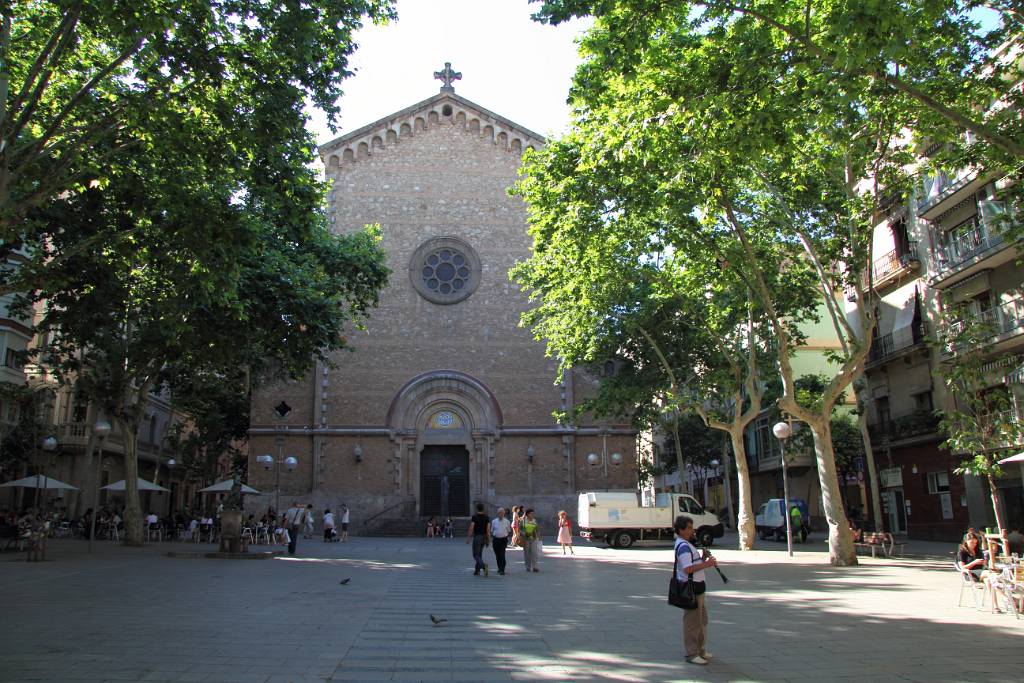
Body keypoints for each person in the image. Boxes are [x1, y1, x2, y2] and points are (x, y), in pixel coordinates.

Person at [674, 515, 717, 666]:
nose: (693, 530)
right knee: (692, 622)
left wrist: (703, 558)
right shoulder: (684, 547)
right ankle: (692, 653)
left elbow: (694, 564)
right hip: (691, 589)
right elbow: (688, 568)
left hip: (698, 588)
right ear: (681, 530)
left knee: (702, 620)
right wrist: (708, 564)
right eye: (689, 528)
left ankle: (701, 649)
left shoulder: (687, 544)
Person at [467, 502, 491, 576]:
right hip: (484, 537)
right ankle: (477, 571)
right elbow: (488, 530)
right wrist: (488, 539)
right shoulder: (487, 517)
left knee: (475, 554)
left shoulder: (474, 517)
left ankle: (484, 566)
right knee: (479, 554)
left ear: (477, 508)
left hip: (477, 537)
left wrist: (468, 538)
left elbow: (471, 527)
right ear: (483, 508)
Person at [490, 508, 512, 575]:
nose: (501, 514)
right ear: (497, 514)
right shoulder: (494, 521)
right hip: (496, 539)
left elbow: (508, 531)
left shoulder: (507, 521)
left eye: (502, 513)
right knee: (497, 554)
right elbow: (492, 530)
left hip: (503, 540)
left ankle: (502, 569)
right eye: (500, 513)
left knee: (502, 554)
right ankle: (499, 568)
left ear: (504, 514)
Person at [522, 508, 541, 572]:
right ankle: (528, 566)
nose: (532, 515)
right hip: (526, 539)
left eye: (533, 513)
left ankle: (535, 566)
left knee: (534, 552)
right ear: (527, 514)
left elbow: (537, 529)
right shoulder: (524, 521)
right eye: (531, 513)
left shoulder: (534, 521)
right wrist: (524, 534)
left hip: (534, 538)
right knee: (527, 553)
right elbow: (520, 529)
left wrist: (539, 536)